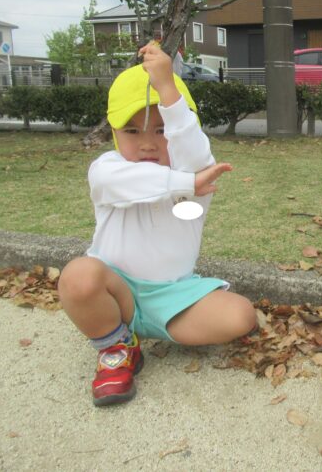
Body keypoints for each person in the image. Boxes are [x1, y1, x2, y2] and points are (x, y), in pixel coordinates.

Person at [57, 42, 257, 406]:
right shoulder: (107, 169)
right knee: (78, 276)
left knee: (241, 315)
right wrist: (184, 184)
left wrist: (168, 87)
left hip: (172, 296)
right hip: (115, 289)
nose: (148, 144)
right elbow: (130, 182)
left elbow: (194, 153)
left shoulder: (196, 172)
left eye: (162, 130)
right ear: (114, 133)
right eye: (132, 132)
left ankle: (150, 326)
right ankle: (116, 346)